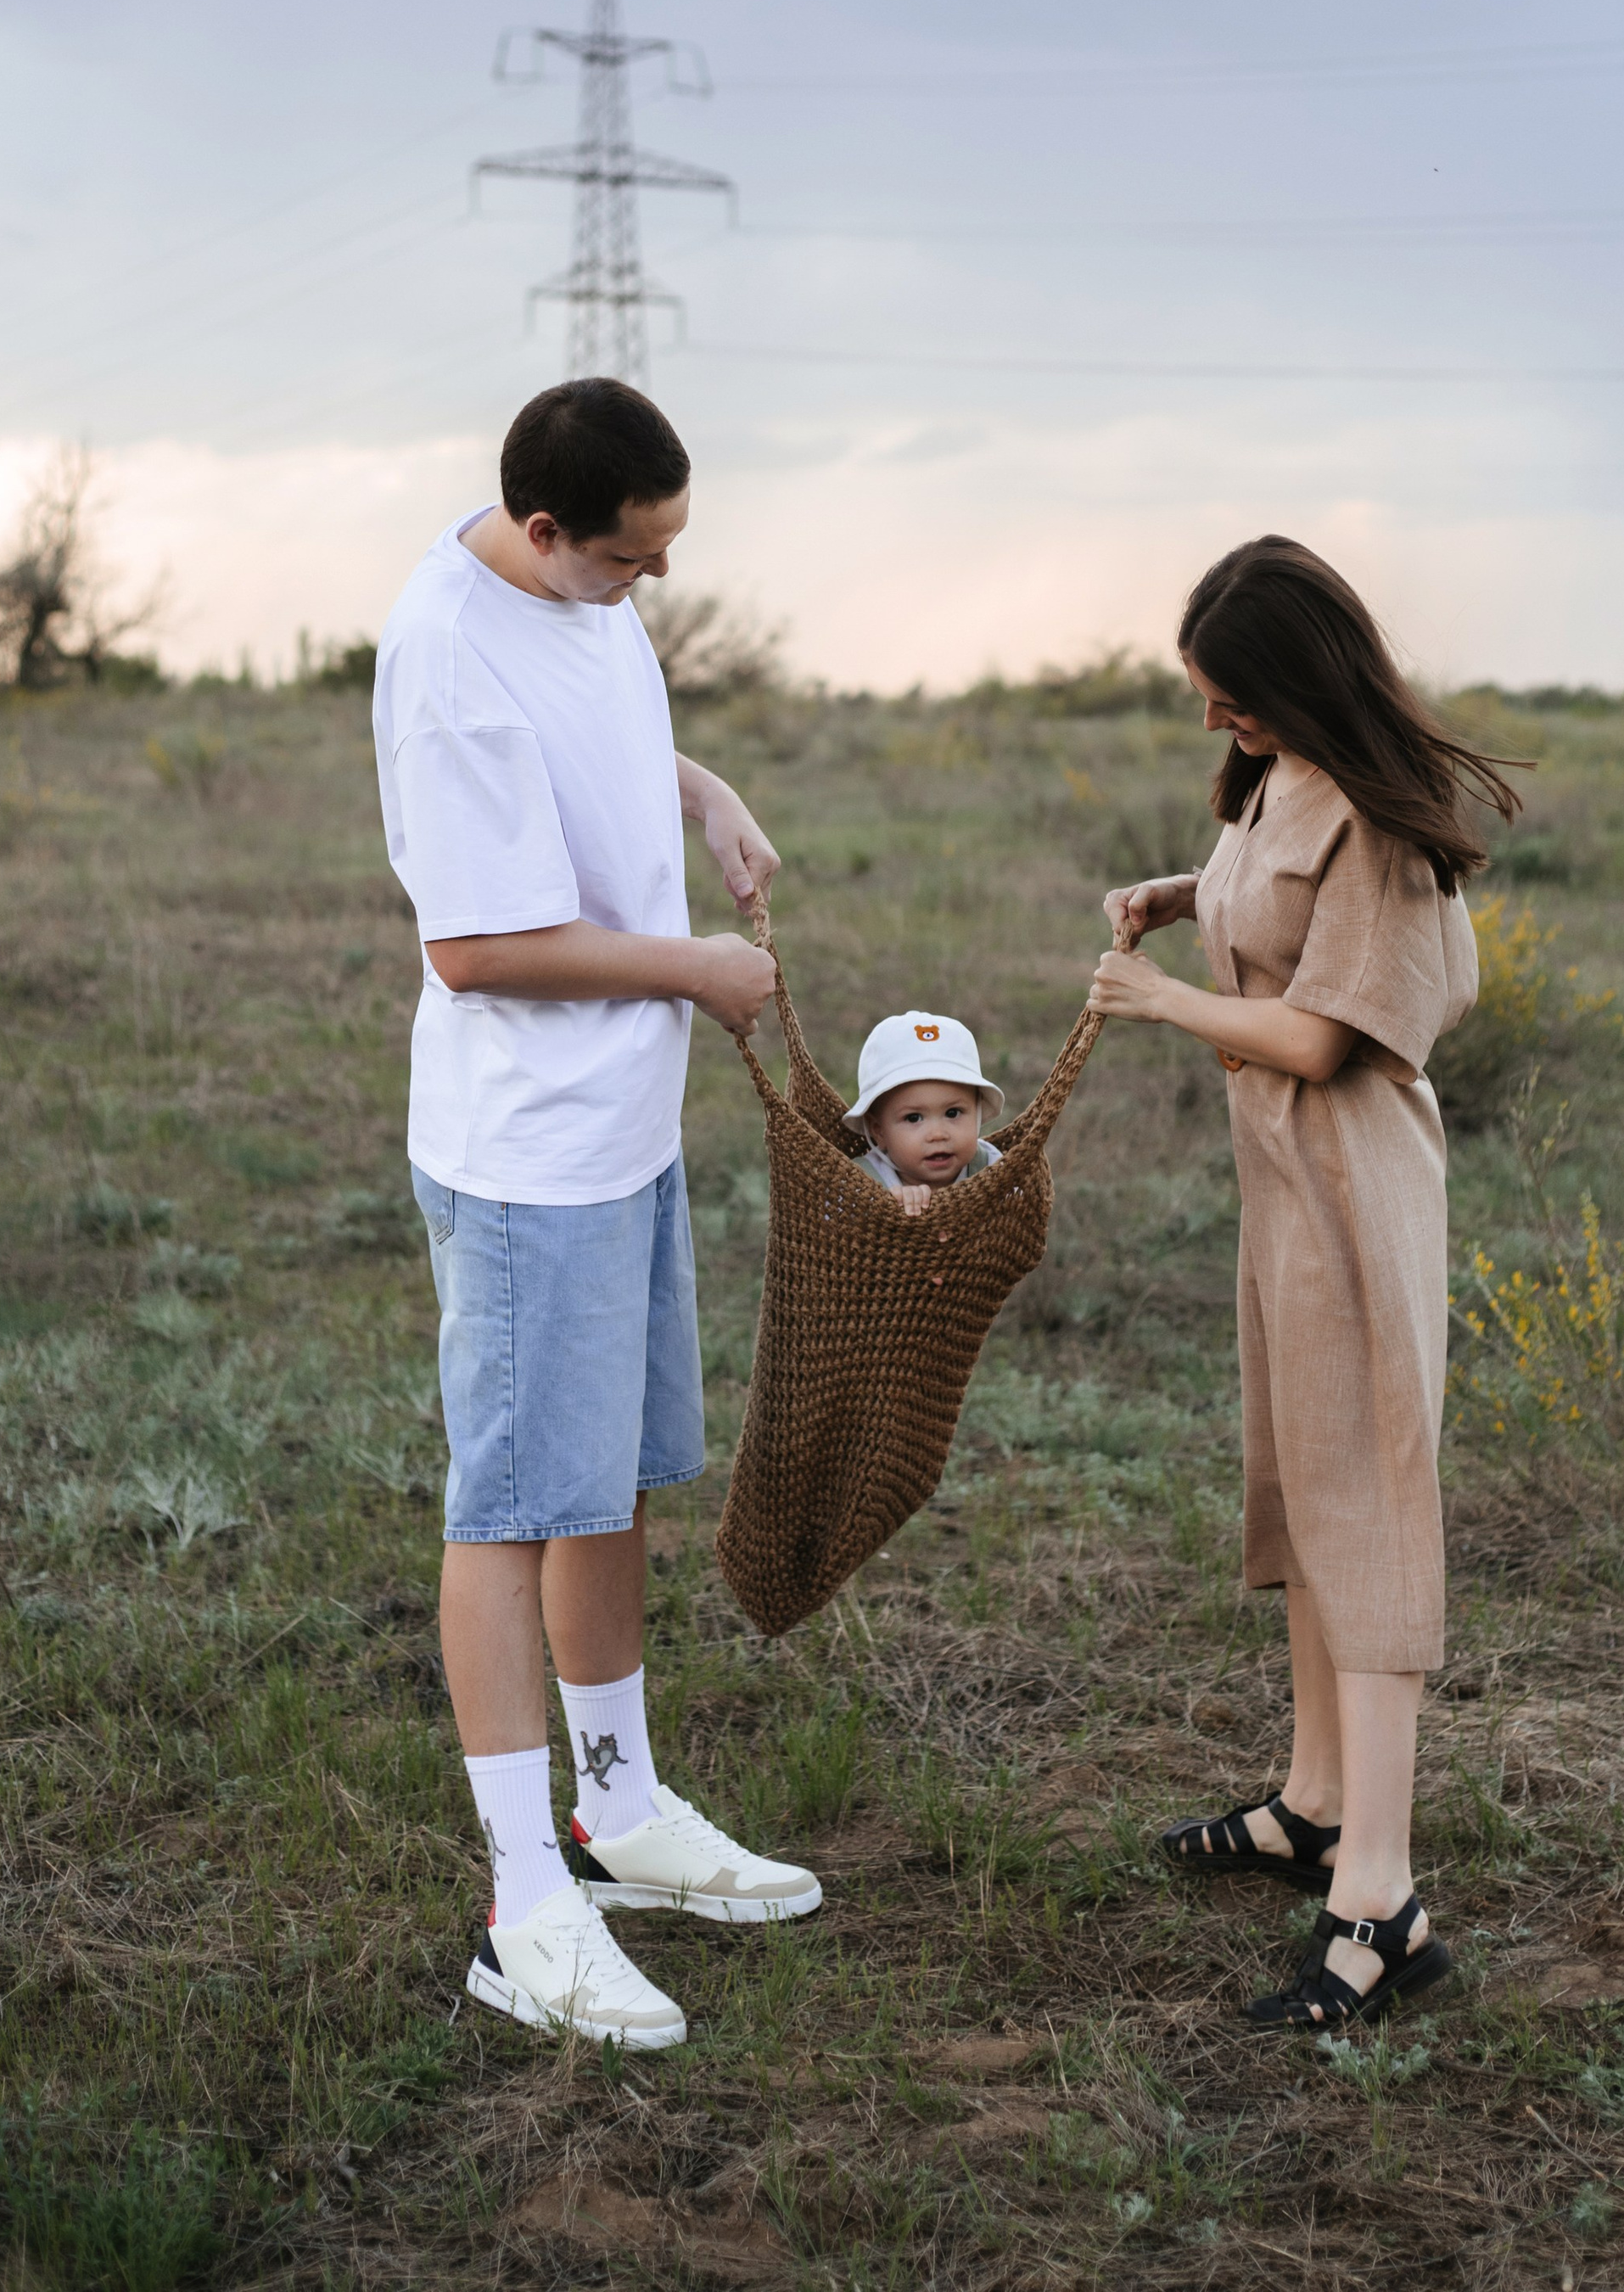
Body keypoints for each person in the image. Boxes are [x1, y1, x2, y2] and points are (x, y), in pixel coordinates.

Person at [373, 376, 820, 2053]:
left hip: (619, 1136)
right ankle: (524, 1908)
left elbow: (598, 724)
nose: (652, 581)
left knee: (606, 1480)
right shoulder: (447, 657)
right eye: (631, 558)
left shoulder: (576, 591)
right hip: (525, 1161)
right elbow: (478, 948)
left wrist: (701, 792)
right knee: (510, 1513)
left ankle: (618, 1810)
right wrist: (696, 970)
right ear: (547, 527)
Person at [1088, 535, 1519, 2033]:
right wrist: (1178, 899)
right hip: (1282, 1187)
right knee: (1308, 1493)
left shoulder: (1382, 829)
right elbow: (1275, 916)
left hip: (1353, 1193)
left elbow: (1324, 1036)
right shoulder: (1283, 780)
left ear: (1300, 680)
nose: (1216, 719)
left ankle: (1381, 1905)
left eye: (1233, 696)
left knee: (1368, 1513)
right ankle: (1317, 1805)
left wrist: (1163, 1002)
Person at [846, 1012, 1005, 1213]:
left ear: (977, 1113)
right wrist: (887, 1208)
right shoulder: (861, 1183)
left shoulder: (991, 1167)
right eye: (914, 1118)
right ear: (879, 1131)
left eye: (953, 1113)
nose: (937, 1134)